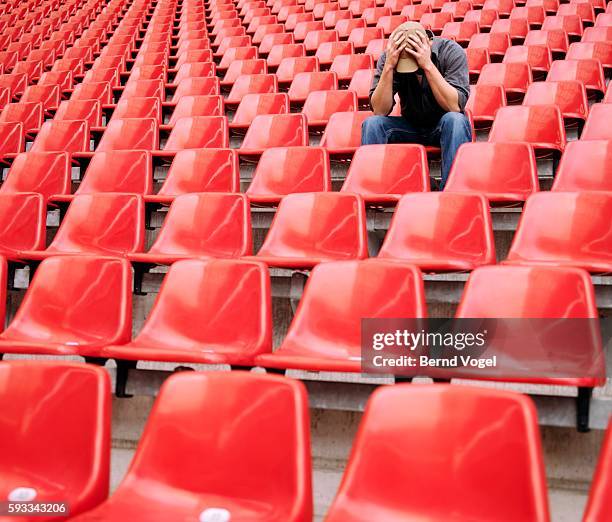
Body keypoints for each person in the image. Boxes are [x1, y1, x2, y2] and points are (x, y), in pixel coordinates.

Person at [362, 22, 472, 189]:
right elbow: (379, 110)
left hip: (442, 124)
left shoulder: (451, 52)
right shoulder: (391, 57)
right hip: (410, 125)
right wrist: (390, 67)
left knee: (455, 120)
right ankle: (375, 190)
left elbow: (454, 106)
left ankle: (450, 191)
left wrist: (426, 64)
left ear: (429, 43)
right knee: (372, 124)